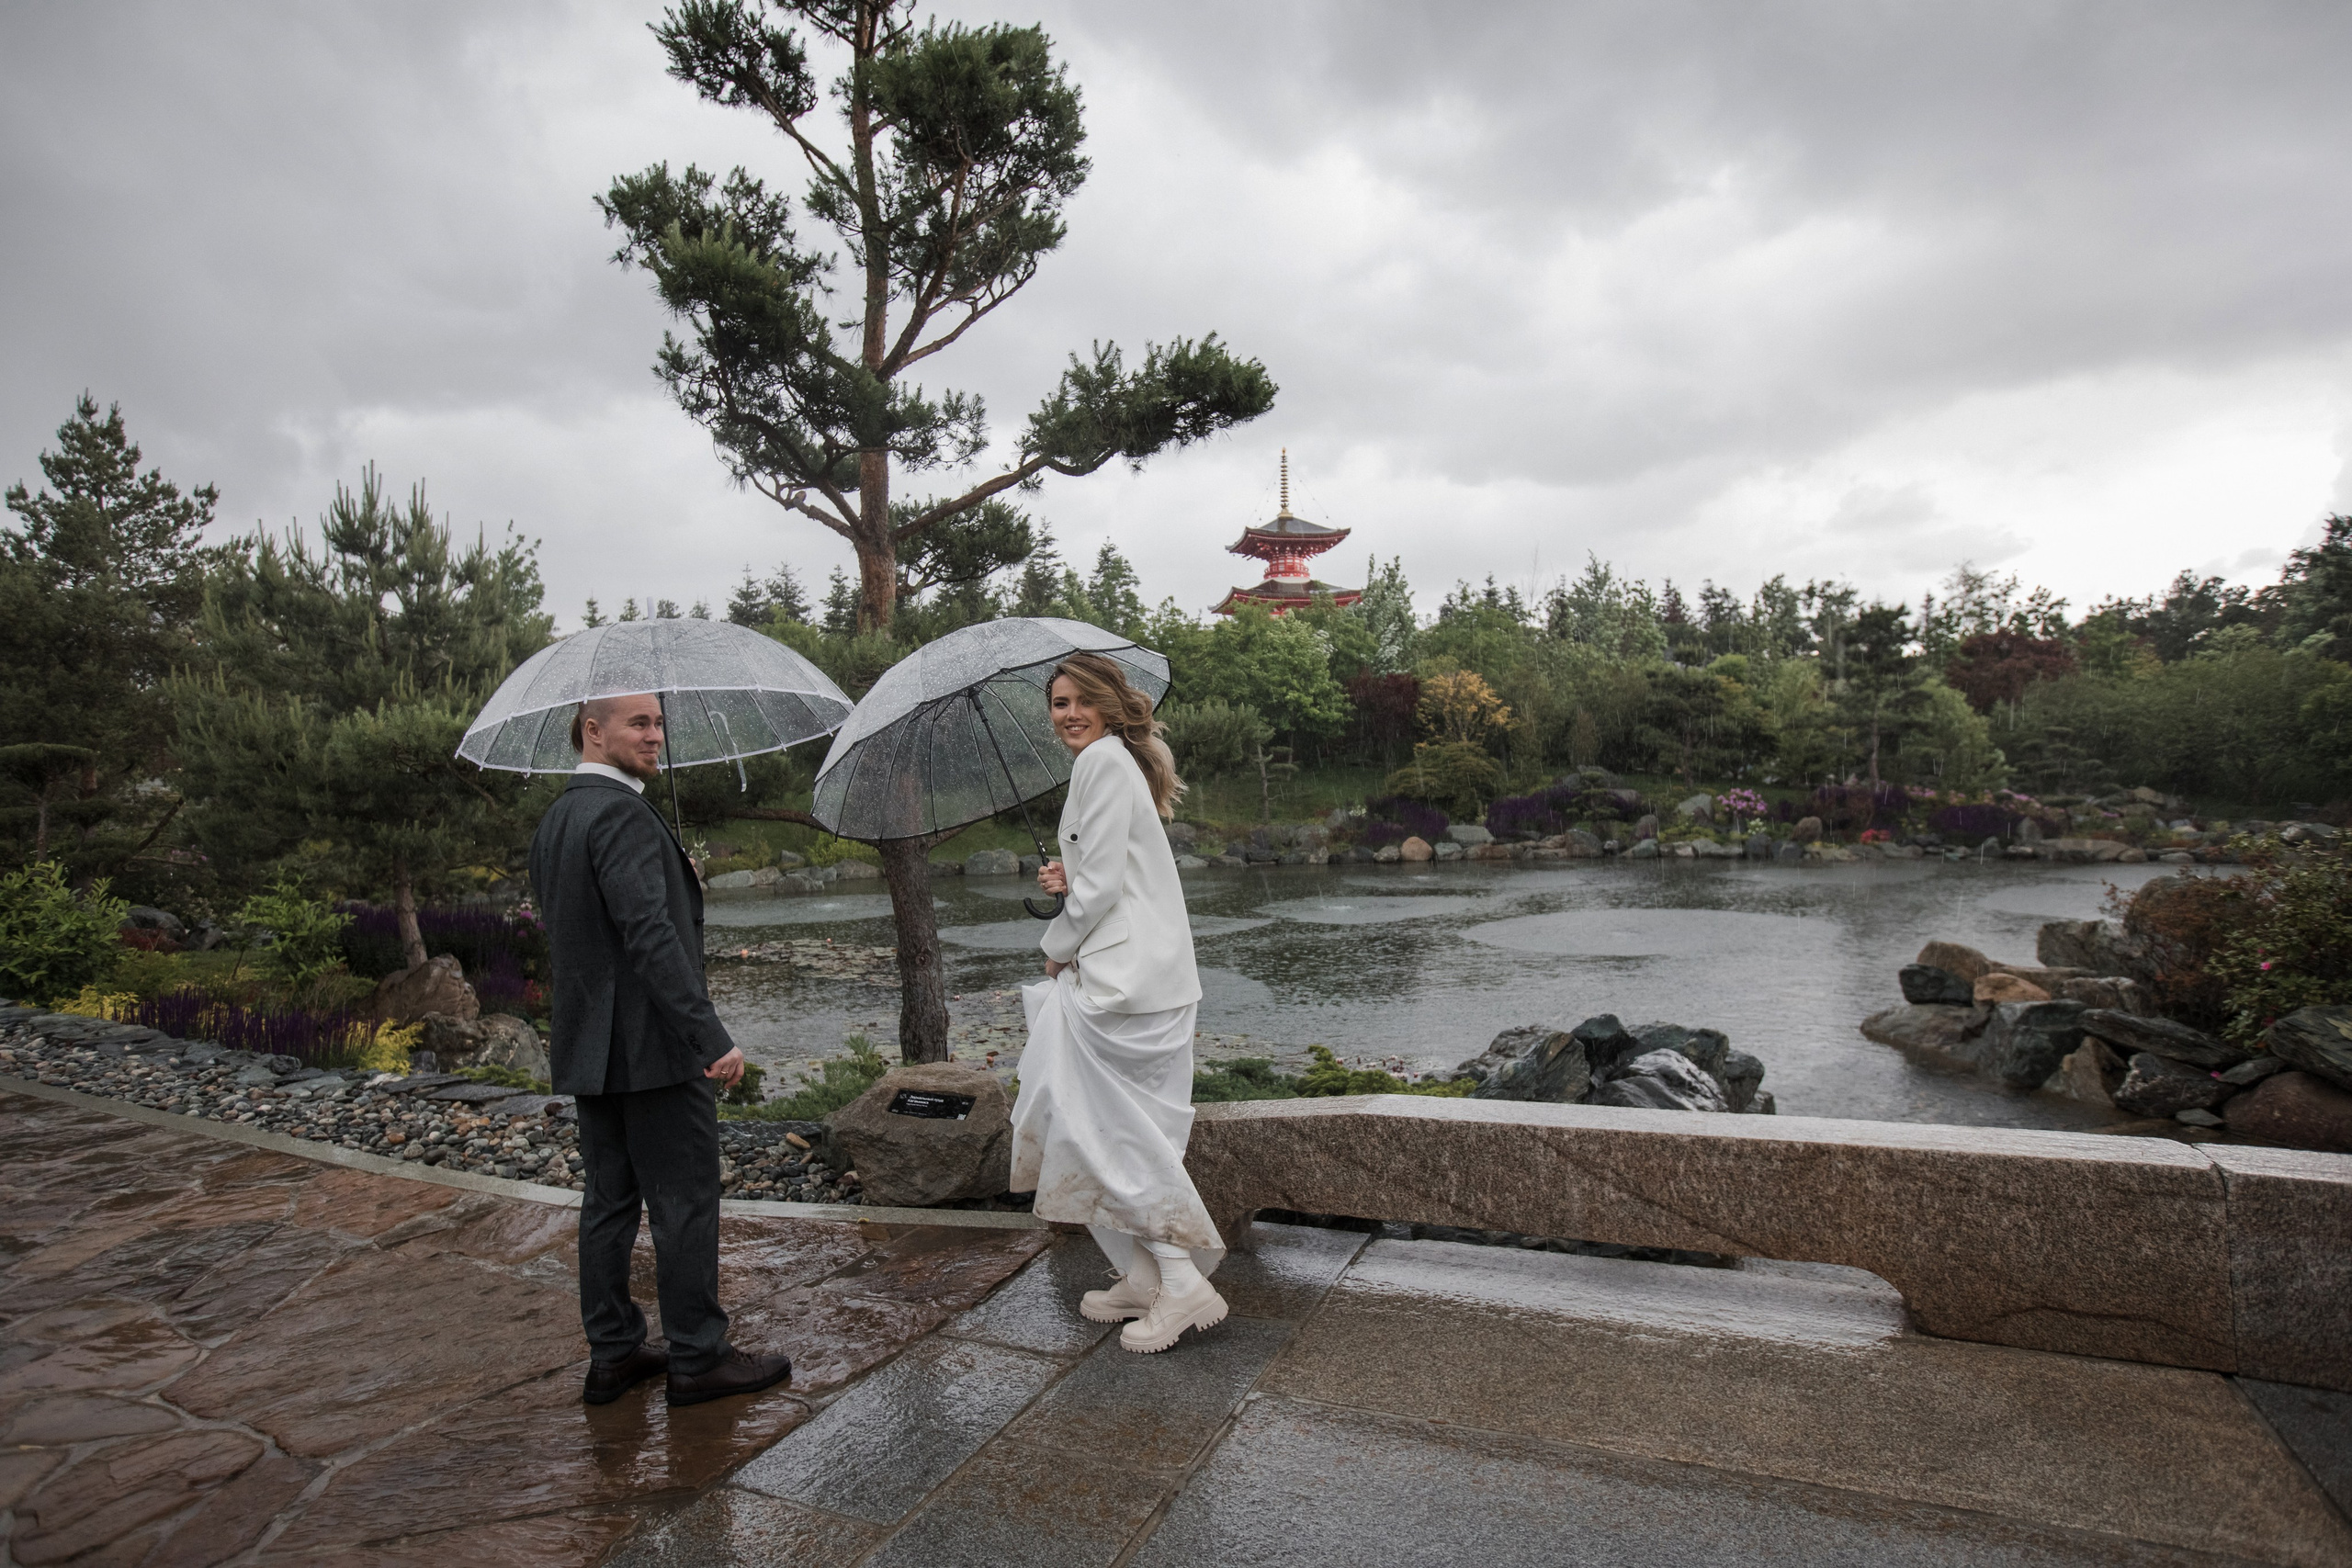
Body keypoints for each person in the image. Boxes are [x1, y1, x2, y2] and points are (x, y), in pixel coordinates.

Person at [528, 691, 792, 1407]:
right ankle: (699, 1356)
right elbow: (649, 936)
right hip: (651, 1048)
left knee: (608, 1201)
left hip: (591, 1045)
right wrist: (708, 1035)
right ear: (593, 730)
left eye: (658, 722)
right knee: (684, 1200)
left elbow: (590, 931)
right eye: (639, 723)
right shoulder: (618, 812)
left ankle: (612, 1353)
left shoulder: (558, 817)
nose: (656, 735)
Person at [1007, 652, 1225, 1353]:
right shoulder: (1113, 762)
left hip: (1123, 983)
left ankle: (1180, 1280)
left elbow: (1099, 892)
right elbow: (1105, 872)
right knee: (1111, 1123)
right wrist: (1066, 874)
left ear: (1106, 702)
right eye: (1058, 703)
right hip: (1149, 978)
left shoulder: (1101, 763)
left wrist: (1057, 944)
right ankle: (1141, 1271)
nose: (1067, 713)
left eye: (1079, 700)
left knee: (1104, 1127)